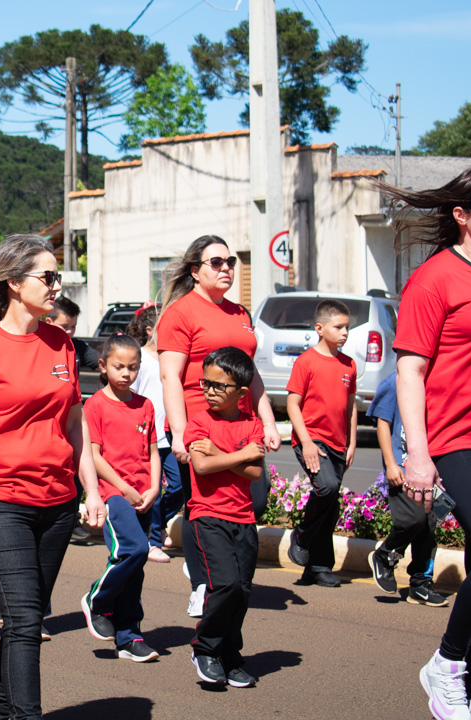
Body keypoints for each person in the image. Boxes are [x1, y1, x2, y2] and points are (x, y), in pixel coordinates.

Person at [0, 234, 104, 720]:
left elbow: (76, 423)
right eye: (48, 276)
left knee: (21, 618)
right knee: (26, 619)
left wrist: (92, 489)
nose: (57, 285)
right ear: (14, 283)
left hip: (55, 505)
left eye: (58, 276)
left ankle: (1, 710)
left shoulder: (62, 343)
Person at [383, 167, 471, 720]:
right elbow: (410, 371)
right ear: (462, 216)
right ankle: (447, 662)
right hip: (461, 435)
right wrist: (418, 453)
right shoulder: (435, 279)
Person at [156, 235, 281, 618]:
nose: (226, 268)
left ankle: (213, 568)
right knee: (202, 509)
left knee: (254, 501)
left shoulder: (240, 314)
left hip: (242, 426)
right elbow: (170, 377)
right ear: (195, 271)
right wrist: (180, 432)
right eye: (216, 262)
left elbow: (251, 374)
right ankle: (201, 582)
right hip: (200, 427)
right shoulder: (181, 314)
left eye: (230, 262)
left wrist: (269, 419)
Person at [185, 347, 265, 688]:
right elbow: (201, 466)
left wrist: (222, 453)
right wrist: (240, 455)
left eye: (219, 386)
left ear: (242, 393)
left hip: (244, 519)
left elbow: (255, 473)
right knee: (226, 584)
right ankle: (204, 649)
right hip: (208, 516)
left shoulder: (253, 424)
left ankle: (230, 656)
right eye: (206, 383)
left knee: (242, 592)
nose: (209, 391)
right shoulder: (199, 421)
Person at [80, 333, 161, 663]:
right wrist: (123, 488)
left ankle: (129, 636)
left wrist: (154, 487)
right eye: (119, 367)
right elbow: (94, 456)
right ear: (103, 366)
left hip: (144, 496)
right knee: (135, 549)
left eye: (133, 367)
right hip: (115, 495)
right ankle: (98, 600)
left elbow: (154, 451)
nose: (126, 373)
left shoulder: (146, 405)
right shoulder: (95, 405)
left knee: (136, 568)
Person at [285, 300, 357, 588]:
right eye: (338, 327)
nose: (345, 333)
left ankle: (317, 567)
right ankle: (301, 535)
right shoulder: (307, 362)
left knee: (330, 504)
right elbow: (292, 404)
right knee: (325, 488)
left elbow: (350, 407)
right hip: (312, 439)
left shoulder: (349, 364)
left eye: (347, 328)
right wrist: (307, 443)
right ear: (319, 328)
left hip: (340, 443)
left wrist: (351, 444)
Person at [366, 370, 447, 606]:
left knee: (430, 527)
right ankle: (385, 555)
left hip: (433, 470)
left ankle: (421, 584)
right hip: (403, 468)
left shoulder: (439, 379)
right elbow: (383, 422)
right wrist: (390, 464)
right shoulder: (396, 380)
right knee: (413, 520)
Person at [127, 302, 180, 563]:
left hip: (171, 432)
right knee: (154, 488)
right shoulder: (140, 359)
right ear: (150, 330)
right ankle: (152, 541)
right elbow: (130, 393)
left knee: (179, 485)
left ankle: (158, 524)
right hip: (146, 434)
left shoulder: (173, 359)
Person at [45, 295, 100, 375]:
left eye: (73, 326)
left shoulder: (78, 347)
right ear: (49, 322)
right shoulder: (38, 347)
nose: (70, 331)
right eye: (64, 326)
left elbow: (105, 363)